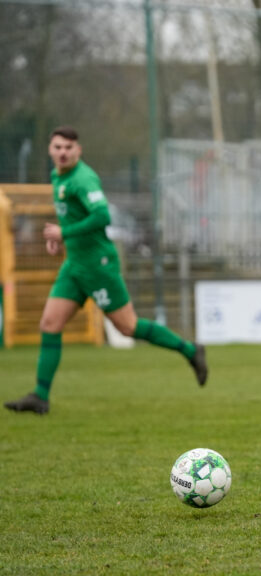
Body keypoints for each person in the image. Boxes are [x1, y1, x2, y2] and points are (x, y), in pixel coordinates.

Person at [4, 126, 207, 416]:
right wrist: (63, 241)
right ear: (50, 150)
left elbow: (101, 216)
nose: (62, 152)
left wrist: (65, 233)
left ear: (79, 150)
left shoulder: (83, 179)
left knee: (128, 326)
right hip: (74, 266)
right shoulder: (57, 175)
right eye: (57, 147)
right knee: (49, 324)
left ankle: (191, 351)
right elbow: (73, 217)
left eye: (68, 148)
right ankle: (40, 396)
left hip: (98, 266)